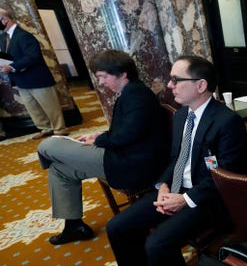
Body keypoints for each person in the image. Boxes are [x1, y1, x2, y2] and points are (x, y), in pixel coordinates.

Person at [106, 55, 247, 266]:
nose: (168, 86)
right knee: (118, 226)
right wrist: (164, 187)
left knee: (157, 244)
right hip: (177, 191)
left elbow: (226, 177)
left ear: (201, 85)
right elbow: (175, 160)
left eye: (175, 80)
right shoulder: (182, 115)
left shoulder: (227, 122)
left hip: (208, 201)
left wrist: (186, 199)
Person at [37, 50, 169, 245]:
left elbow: (128, 134)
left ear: (122, 73)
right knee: (59, 170)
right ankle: (74, 226)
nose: (101, 83)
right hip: (124, 154)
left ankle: (48, 161)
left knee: (47, 145)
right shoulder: (132, 91)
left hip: (131, 163)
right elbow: (128, 130)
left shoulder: (136, 93)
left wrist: (98, 141)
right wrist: (99, 136)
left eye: (103, 76)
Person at [0, 7, 67, 139]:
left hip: (37, 78)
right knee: (33, 108)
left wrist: (11, 67)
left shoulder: (24, 35)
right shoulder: (4, 37)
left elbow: (33, 57)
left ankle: (60, 129)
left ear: (5, 20)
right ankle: (45, 128)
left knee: (49, 105)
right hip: (20, 79)